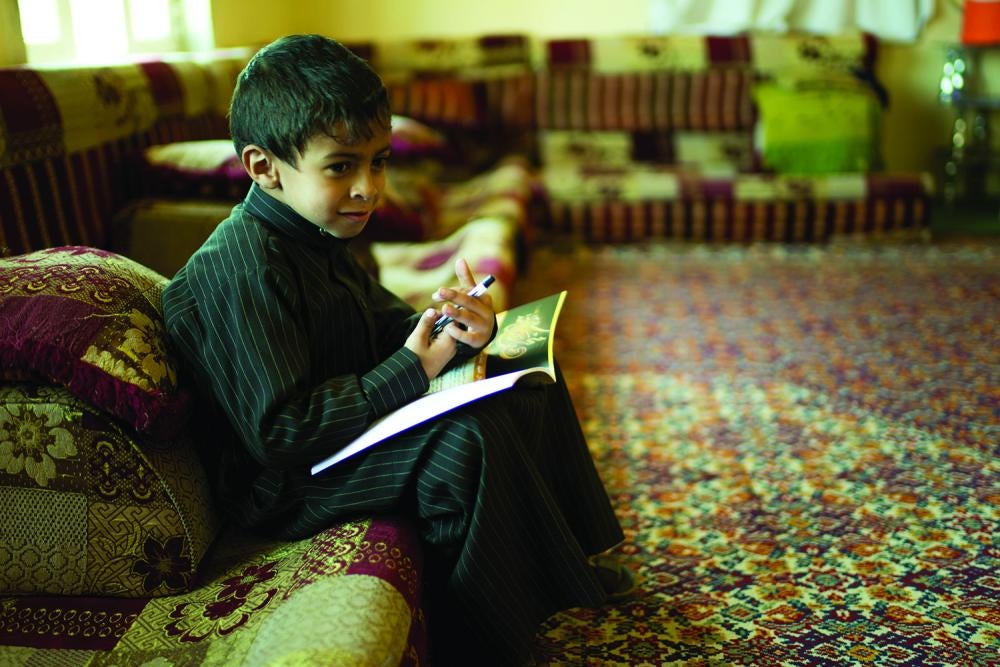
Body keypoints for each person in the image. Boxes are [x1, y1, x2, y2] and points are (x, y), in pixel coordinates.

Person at [162, 33, 630, 665]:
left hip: (344, 434)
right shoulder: (240, 269)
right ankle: (485, 641)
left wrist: (457, 327)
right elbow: (281, 432)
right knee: (466, 444)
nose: (368, 187)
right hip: (285, 484)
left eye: (379, 161)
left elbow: (389, 327)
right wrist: (414, 368)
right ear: (263, 166)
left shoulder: (320, 234)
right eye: (341, 166)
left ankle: (566, 557)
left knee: (521, 359)